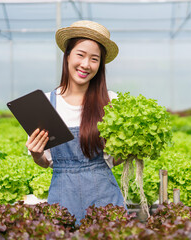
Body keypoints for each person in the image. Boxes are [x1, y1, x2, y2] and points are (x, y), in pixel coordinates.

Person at [25, 20, 126, 224]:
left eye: (94, 59)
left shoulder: (111, 102)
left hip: (104, 198)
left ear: (100, 65)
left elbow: (111, 161)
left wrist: (129, 150)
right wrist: (37, 155)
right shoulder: (45, 103)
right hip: (63, 200)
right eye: (80, 55)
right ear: (68, 55)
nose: (86, 64)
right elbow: (45, 163)